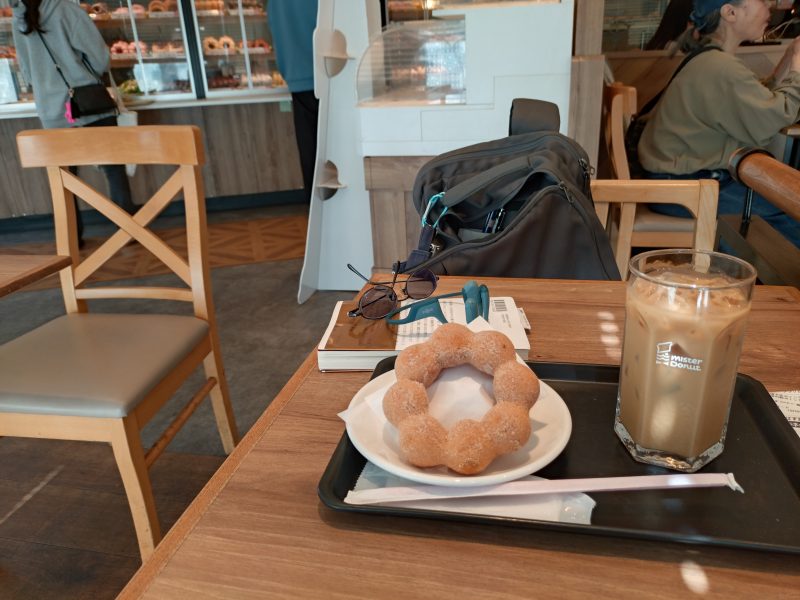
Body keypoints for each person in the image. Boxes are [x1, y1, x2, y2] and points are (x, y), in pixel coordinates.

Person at [638, 0, 800, 248]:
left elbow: (756, 99)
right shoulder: (720, 67)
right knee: (790, 210)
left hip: (674, 182)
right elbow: (776, 115)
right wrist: (798, 70)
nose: (769, 8)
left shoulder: (711, 58)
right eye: (760, 1)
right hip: (685, 190)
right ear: (730, 12)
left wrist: (789, 58)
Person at [11, 0, 135, 246]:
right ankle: (128, 230)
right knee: (113, 168)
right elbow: (100, 58)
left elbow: (26, 70)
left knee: (64, 177)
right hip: (88, 103)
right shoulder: (66, 9)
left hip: (51, 109)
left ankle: (72, 238)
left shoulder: (18, 16)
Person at [268, 0, 319, 203]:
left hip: (297, 72)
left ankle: (315, 212)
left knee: (310, 154)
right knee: (340, 155)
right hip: (333, 70)